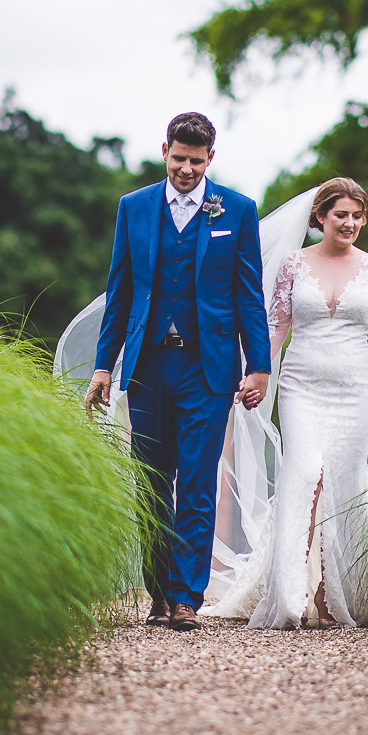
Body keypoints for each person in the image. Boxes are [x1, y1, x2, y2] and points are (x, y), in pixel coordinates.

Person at [209, 177, 368, 629]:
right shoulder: (293, 264)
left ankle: (335, 595)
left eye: (358, 215)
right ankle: (289, 596)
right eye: (342, 214)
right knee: (304, 474)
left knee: (346, 482)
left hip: (355, 389)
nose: (351, 223)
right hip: (301, 384)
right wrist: (253, 372)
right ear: (320, 217)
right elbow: (275, 327)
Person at [85, 112, 270, 633]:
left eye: (195, 161)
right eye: (178, 159)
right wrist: (104, 365)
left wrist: (258, 367)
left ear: (211, 157)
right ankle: (159, 593)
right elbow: (120, 291)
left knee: (195, 479)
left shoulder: (237, 209)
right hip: (147, 364)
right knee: (150, 480)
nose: (186, 169)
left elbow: (248, 295)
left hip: (206, 367)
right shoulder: (134, 207)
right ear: (164, 150)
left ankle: (188, 596)